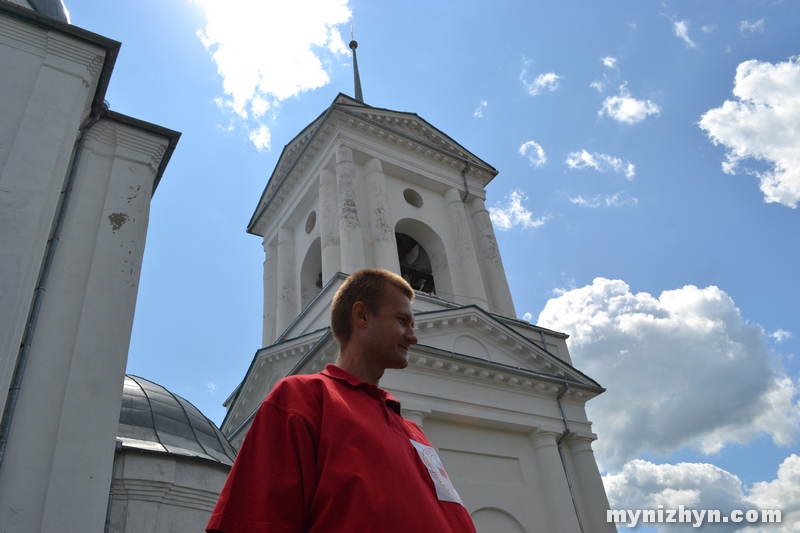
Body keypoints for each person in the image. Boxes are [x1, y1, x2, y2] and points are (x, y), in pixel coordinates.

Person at [207, 268, 476, 533]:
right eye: (402, 321)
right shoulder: (303, 399)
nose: (413, 336)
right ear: (362, 316)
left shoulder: (413, 431)